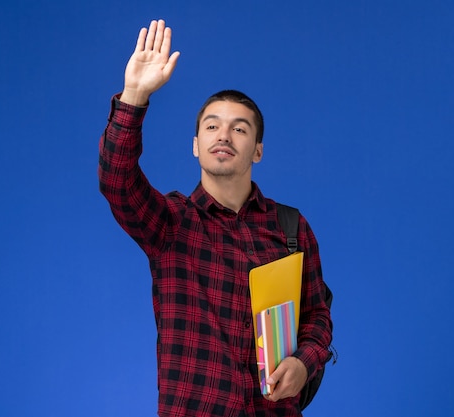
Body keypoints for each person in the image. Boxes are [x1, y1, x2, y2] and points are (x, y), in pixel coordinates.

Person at [98, 19, 333, 417]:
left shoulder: (291, 228)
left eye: (239, 129)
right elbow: (116, 180)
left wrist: (303, 362)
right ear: (196, 145)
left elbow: (317, 316)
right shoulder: (169, 223)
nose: (223, 135)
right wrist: (135, 95)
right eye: (212, 126)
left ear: (257, 150)